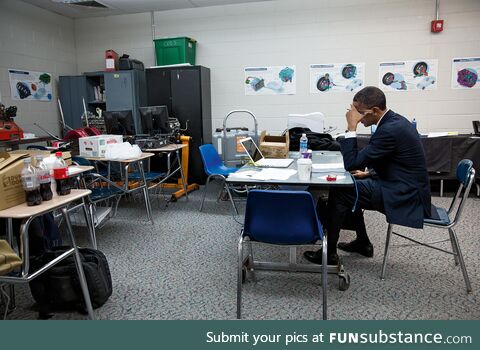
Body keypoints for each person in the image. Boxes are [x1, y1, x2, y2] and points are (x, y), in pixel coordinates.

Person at [304, 86, 434, 265]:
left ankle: (329, 253)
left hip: (405, 195)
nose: (354, 115)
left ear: (374, 111)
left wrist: (351, 127)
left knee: (341, 191)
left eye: (359, 113)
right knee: (352, 187)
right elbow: (398, 162)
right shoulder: (394, 121)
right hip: (404, 184)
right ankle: (362, 243)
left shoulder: (390, 129)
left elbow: (351, 163)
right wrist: (369, 173)